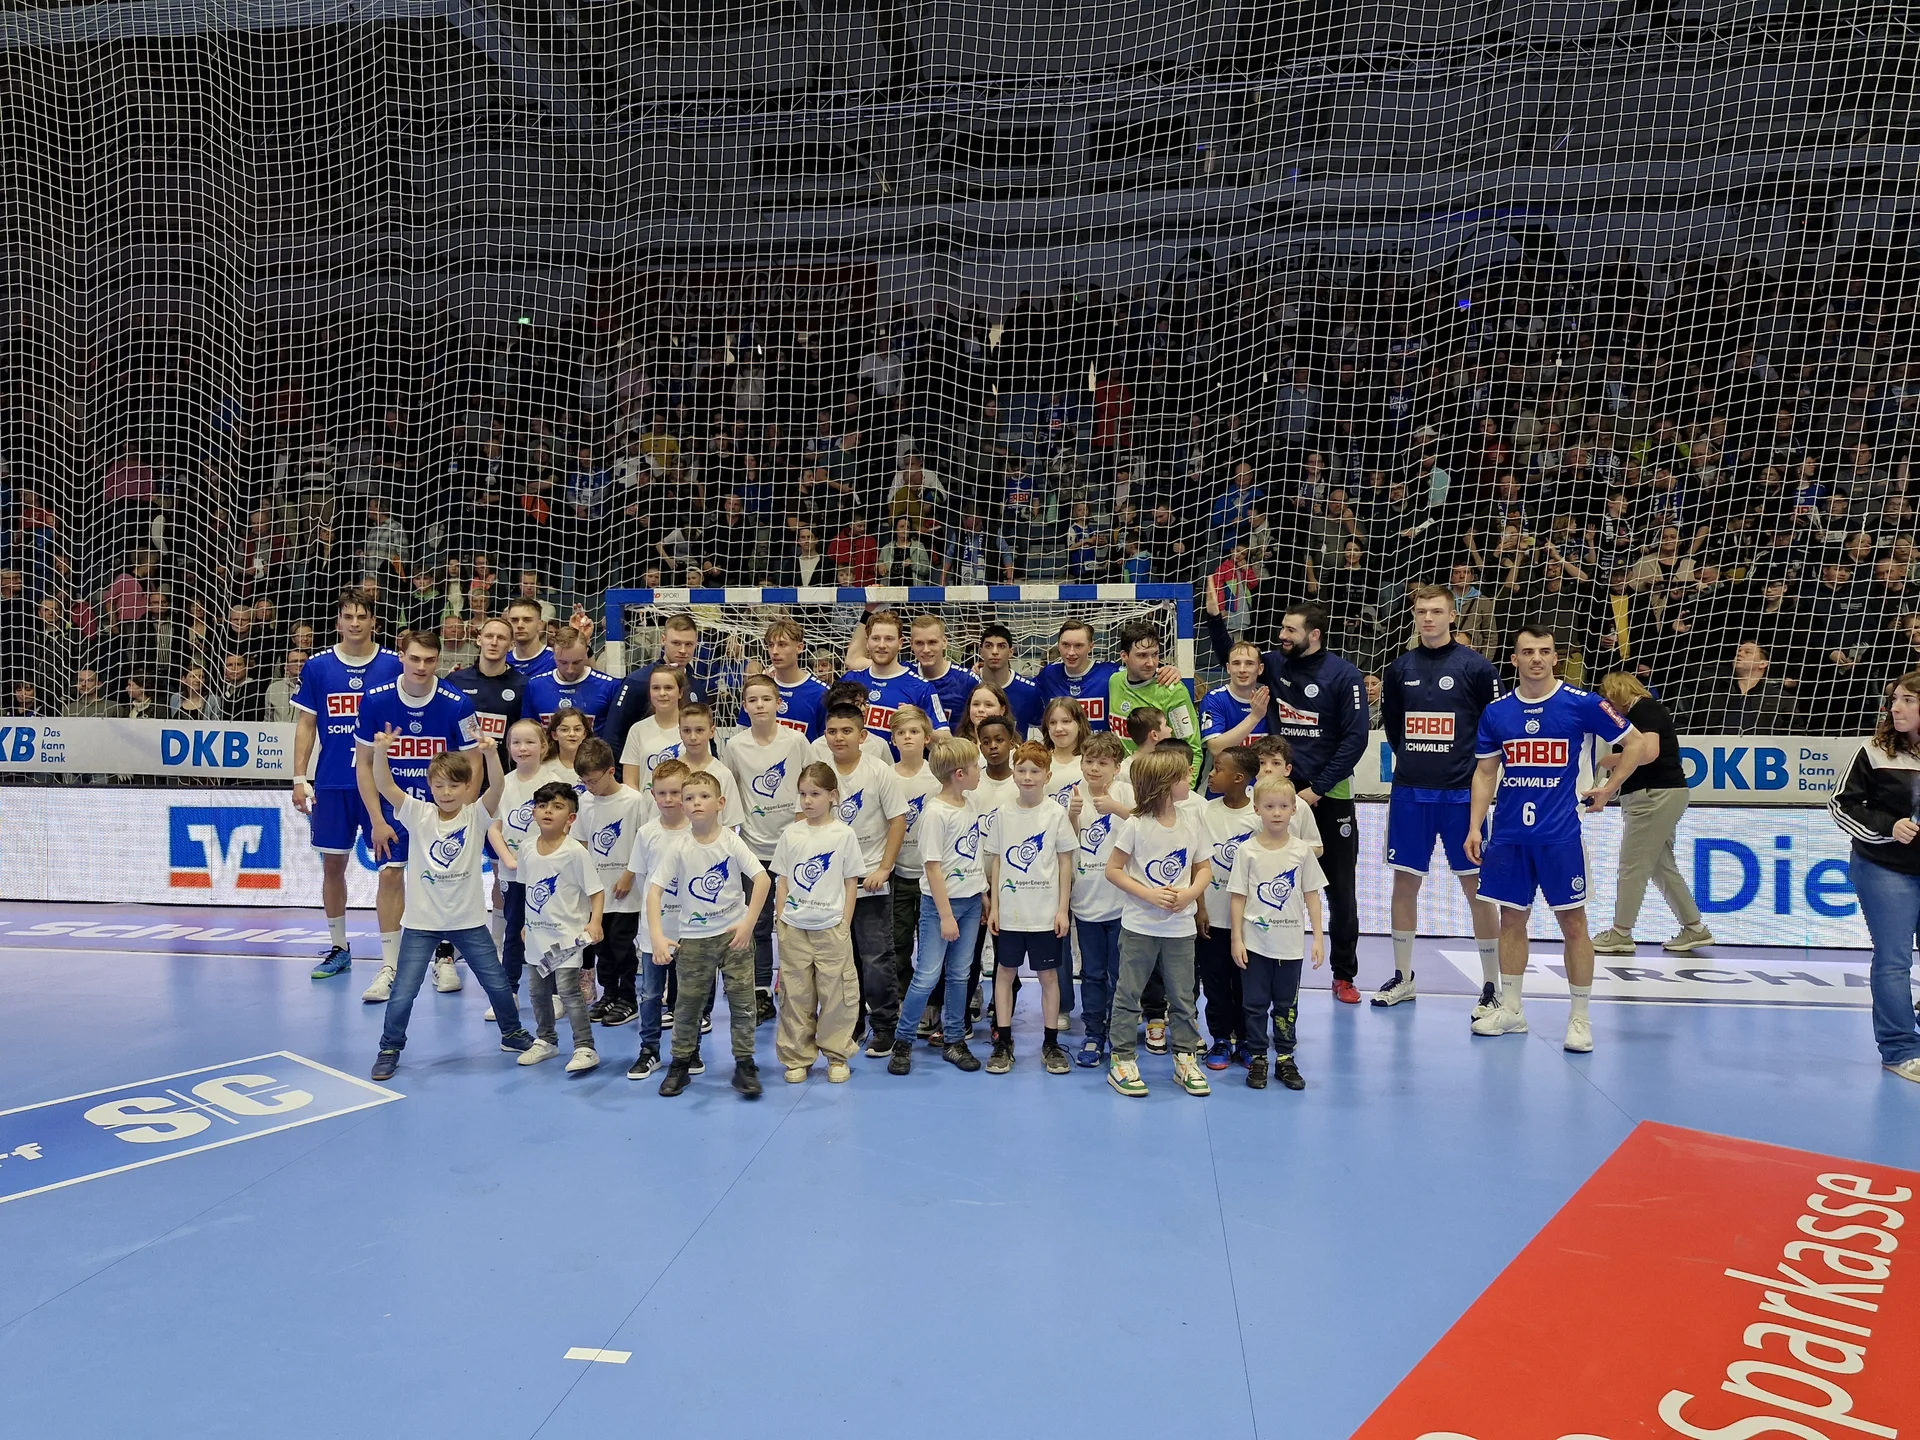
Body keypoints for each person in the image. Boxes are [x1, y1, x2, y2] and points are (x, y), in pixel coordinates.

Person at [1466, 623, 1644, 1053]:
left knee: (1574, 924)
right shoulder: (1497, 712)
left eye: (1544, 651)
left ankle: (1580, 1018)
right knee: (1511, 920)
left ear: (1554, 657)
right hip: (1508, 835)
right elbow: (1485, 772)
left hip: (1561, 835)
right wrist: (1475, 826)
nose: (1537, 659)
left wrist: (1610, 786)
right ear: (1515, 659)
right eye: (1527, 652)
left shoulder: (1582, 704)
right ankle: (1511, 1009)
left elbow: (1636, 743)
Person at [363, 728, 532, 1082]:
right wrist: (380, 752)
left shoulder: (475, 815)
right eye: (439, 786)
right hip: (421, 923)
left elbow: (497, 788)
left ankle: (512, 1034)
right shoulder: (418, 813)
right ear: (429, 786)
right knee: (404, 993)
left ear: (467, 787)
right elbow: (383, 784)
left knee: (498, 985)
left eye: (454, 786)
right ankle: (390, 1047)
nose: (446, 792)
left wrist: (489, 753)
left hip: (468, 922)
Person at [1375, 584, 1503, 1011]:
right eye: (1421, 611)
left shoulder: (1477, 668)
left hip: (1463, 796)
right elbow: (1395, 729)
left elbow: (1494, 727)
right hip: (1411, 792)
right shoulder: (1399, 669)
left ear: (1453, 616)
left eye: (1436, 611)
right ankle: (1404, 976)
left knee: (1477, 888)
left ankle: (1491, 985)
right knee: (1404, 883)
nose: (1428, 618)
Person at [352, 627, 483, 1003]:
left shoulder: (457, 703)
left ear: (438, 660)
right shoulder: (375, 701)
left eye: (430, 660)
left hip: (443, 810)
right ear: (401, 657)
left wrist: (464, 816)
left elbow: (474, 762)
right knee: (391, 877)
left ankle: (444, 958)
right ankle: (390, 966)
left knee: (443, 882)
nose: (422, 666)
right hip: (396, 808)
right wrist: (377, 819)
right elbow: (363, 765)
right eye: (414, 659)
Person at [291, 591, 403, 981]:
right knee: (333, 865)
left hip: (384, 783)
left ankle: (393, 956)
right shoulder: (319, 666)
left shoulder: (394, 664)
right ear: (338, 622)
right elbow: (306, 724)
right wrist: (299, 778)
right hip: (334, 781)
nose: (355, 623)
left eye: (362, 616)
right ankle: (339, 947)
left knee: (393, 867)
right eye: (348, 616)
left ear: (374, 621)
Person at [1261, 601, 1368, 1003]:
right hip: (1280, 793)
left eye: (1290, 630)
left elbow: (1355, 739)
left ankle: (1344, 974)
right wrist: (1217, 618)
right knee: (1266, 878)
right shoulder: (1274, 663)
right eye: (1282, 629)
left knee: (1340, 888)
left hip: (1328, 794)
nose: (1282, 636)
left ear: (1314, 634)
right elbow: (1230, 658)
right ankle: (1263, 967)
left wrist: (1318, 789)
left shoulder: (1344, 675)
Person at [648, 771, 772, 1099]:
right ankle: (680, 1063)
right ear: (682, 806)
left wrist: (748, 923)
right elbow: (654, 891)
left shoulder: (732, 841)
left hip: (734, 938)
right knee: (687, 1004)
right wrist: (658, 937)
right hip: (693, 939)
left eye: (703, 796)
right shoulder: (678, 846)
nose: (695, 803)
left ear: (720, 803)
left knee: (744, 1003)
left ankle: (745, 1063)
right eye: (689, 798)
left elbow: (762, 880)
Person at [1102, 748, 1214, 1098]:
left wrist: (1190, 895)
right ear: (1166, 784)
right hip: (1139, 927)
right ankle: (1121, 1059)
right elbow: (1113, 870)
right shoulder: (1136, 824)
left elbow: (1204, 868)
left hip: (1180, 929)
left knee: (1183, 996)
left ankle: (1185, 1057)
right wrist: (1149, 895)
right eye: (1183, 777)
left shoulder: (1193, 820)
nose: (1189, 781)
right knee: (1128, 993)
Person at [1828, 669, 1920, 1083]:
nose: (1896, 707)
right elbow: (1841, 804)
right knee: (1893, 960)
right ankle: (1901, 1049)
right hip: (1885, 869)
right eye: (1895, 699)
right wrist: (1889, 828)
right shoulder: (1874, 751)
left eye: (1907, 700)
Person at [1589, 672, 1714, 956]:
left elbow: (1647, 753)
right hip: (1662, 793)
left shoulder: (1643, 709)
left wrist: (1606, 762)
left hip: (1653, 795)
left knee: (1633, 866)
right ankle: (1694, 928)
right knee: (1660, 866)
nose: (1608, 705)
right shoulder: (1650, 710)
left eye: (1609, 697)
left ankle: (1621, 932)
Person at [981, 740, 1077, 1075]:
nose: (1027, 776)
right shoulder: (1004, 814)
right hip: (1009, 913)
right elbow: (995, 862)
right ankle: (1003, 1041)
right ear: (1013, 774)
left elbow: (1065, 864)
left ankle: (1050, 1043)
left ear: (1047, 775)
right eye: (1021, 770)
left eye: (1035, 771)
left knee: (1048, 976)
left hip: (1044, 913)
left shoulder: (1055, 814)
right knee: (1004, 973)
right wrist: (993, 905)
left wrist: (1062, 908)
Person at [896, 736, 989, 1073]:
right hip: (942, 907)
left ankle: (954, 1039)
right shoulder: (935, 813)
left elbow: (972, 854)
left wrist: (982, 893)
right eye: (976, 766)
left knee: (960, 974)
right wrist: (947, 915)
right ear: (960, 774)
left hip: (970, 903)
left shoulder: (970, 805)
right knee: (927, 975)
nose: (981, 772)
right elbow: (932, 867)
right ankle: (903, 1041)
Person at [822, 700, 909, 1054]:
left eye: (846, 731)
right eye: (832, 731)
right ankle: (850, 1022)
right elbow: (803, 820)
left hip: (870, 879)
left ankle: (885, 1024)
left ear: (862, 735)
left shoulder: (878, 771)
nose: (839, 738)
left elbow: (898, 820)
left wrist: (884, 867)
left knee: (876, 956)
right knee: (842, 958)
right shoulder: (819, 771)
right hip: (829, 884)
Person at [726, 672, 815, 1020]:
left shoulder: (796, 742)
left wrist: (801, 832)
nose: (760, 705)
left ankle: (797, 988)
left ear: (779, 703)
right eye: (753, 700)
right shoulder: (735, 746)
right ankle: (761, 990)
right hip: (754, 848)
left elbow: (811, 785)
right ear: (744, 706)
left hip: (793, 846)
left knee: (796, 921)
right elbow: (732, 790)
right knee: (759, 924)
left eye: (767, 699)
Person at [1229, 777, 1327, 1092]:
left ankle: (1285, 1057)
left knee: (1286, 1005)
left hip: (1290, 947)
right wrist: (1237, 938)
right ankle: (1258, 1056)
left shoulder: (1302, 852)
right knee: (1254, 1004)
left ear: (1293, 809)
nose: (1276, 813)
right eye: (1269, 807)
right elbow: (1238, 897)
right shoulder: (1246, 851)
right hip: (1256, 945)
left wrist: (1318, 938)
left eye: (1283, 806)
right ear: (1257, 809)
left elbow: (1312, 894)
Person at [771, 762, 865, 1083]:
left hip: (831, 927)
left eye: (815, 794)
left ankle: (837, 1054)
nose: (808, 801)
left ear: (832, 796)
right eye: (803, 794)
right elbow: (782, 879)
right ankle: (797, 1056)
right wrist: (781, 917)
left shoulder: (844, 834)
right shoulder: (791, 833)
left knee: (837, 993)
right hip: (794, 927)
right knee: (796, 994)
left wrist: (844, 923)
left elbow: (851, 882)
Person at [513, 781, 606, 1073]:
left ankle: (585, 1047)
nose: (548, 812)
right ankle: (546, 1040)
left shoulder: (575, 852)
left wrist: (595, 922)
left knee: (568, 990)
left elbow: (596, 891)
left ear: (571, 817)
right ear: (533, 812)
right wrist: (528, 925)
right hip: (538, 937)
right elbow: (528, 889)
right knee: (537, 992)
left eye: (557, 806)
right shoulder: (527, 848)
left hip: (567, 938)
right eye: (542, 806)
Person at [486, 718, 566, 1013]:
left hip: (549, 873)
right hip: (514, 872)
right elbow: (493, 828)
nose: (522, 748)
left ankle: (556, 993)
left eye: (530, 742)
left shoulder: (557, 782)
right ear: (508, 748)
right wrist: (508, 859)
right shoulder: (502, 784)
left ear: (544, 746)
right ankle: (509, 991)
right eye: (516, 742)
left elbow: (565, 826)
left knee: (552, 929)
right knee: (514, 930)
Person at [1066, 732, 1134, 1066]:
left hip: (1122, 905)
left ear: (1117, 767)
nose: (1094, 768)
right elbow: (1060, 846)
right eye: (1089, 761)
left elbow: (1148, 831)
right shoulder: (1070, 795)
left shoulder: (1127, 794)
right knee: (1092, 972)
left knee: (1119, 973)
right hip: (1086, 902)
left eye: (1103, 763)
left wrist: (1118, 809)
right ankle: (1093, 1032)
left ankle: (1120, 1035)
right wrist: (1071, 817)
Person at [623, 759, 692, 1081]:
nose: (668, 799)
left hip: (692, 932)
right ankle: (649, 1050)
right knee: (651, 993)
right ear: (652, 794)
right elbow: (644, 883)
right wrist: (655, 924)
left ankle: (688, 1051)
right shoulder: (646, 834)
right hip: (655, 932)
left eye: (676, 792)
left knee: (689, 995)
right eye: (661, 793)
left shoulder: (699, 832)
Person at [574, 738, 646, 1026]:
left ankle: (628, 998)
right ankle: (609, 993)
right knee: (601, 946)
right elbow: (581, 844)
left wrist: (629, 874)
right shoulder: (584, 802)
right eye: (584, 781)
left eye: (593, 780)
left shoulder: (633, 800)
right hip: (597, 892)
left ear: (611, 771)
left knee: (622, 946)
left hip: (625, 891)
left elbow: (643, 841)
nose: (589, 786)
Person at [1197, 747, 1260, 1069]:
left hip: (1250, 923)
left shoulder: (1260, 816)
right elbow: (1196, 863)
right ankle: (1220, 1039)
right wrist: (1200, 907)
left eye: (1217, 768)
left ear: (1238, 778)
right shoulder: (1205, 812)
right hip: (1213, 916)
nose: (1210, 773)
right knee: (1216, 981)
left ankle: (1247, 1040)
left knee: (1247, 984)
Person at [888, 706, 942, 1033]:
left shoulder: (936, 776)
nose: (908, 738)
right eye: (901, 733)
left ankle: (931, 1005)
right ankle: (903, 998)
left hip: (929, 876)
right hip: (896, 875)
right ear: (893, 739)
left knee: (931, 946)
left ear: (927, 738)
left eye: (914, 732)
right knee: (898, 943)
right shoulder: (885, 776)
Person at [1108, 619, 1203, 783]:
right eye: (1142, 656)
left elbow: (1192, 749)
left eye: (1155, 654)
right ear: (1124, 656)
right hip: (1122, 779)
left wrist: (1185, 790)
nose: (1150, 663)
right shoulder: (1115, 682)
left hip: (1158, 784)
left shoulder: (1173, 691)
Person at [840, 609, 947, 753]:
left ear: (901, 643)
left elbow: (946, 741)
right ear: (867, 642)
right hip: (856, 772)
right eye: (876, 638)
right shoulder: (850, 680)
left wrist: (918, 721)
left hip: (898, 773)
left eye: (889, 639)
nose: (882, 645)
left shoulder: (922, 687)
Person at [603, 612, 705, 760]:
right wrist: (624, 778)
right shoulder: (638, 681)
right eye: (676, 643)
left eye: (688, 644)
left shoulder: (696, 686)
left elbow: (705, 735)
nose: (683, 650)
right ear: (663, 640)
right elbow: (614, 735)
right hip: (644, 772)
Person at [444, 617, 523, 758]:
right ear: (479, 640)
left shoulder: (523, 685)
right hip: (461, 771)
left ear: (512, 645)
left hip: (503, 771)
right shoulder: (455, 680)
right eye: (489, 636)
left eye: (501, 638)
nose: (494, 643)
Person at [742, 617, 826, 739]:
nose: (774, 651)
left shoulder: (820, 693)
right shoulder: (757, 689)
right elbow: (744, 736)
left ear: (799, 647)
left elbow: (825, 745)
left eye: (782, 644)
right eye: (771, 645)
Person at [525, 629, 619, 732]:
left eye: (576, 662)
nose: (570, 670)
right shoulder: (535, 686)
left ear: (586, 653)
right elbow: (528, 733)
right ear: (553, 655)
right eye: (563, 662)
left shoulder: (609, 686)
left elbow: (615, 735)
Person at [674, 703, 744, 828]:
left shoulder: (723, 774)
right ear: (679, 732)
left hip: (714, 847)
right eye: (686, 731)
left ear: (712, 732)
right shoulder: (671, 774)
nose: (693, 737)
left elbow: (730, 826)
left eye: (699, 730)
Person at [619, 666, 686, 790]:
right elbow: (630, 782)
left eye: (668, 688)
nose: (662, 693)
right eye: (656, 688)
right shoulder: (637, 730)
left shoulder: (693, 729)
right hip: (646, 808)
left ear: (680, 692)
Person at [1200, 641, 1271, 756]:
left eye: (1249, 663)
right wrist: (1254, 717)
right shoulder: (1215, 699)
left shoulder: (1269, 698)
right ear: (1228, 668)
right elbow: (1215, 748)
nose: (1242, 669)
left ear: (1260, 669)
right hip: (1229, 773)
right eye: (1236, 663)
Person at [974, 622, 1042, 736]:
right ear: (981, 651)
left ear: (1011, 652)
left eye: (1001, 646)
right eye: (989, 646)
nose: (995, 651)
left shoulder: (1029, 691)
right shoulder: (968, 683)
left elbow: (1044, 730)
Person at [503, 597, 558, 679]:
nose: (520, 625)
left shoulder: (555, 658)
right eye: (514, 620)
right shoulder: (503, 660)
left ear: (540, 624)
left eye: (527, 620)